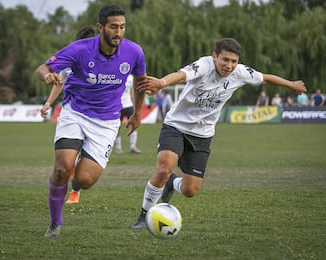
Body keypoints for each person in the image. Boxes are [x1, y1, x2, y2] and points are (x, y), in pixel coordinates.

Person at [131, 38, 307, 230]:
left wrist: (291, 85)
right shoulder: (204, 65)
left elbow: (265, 78)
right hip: (176, 126)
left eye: (233, 61)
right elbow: (181, 75)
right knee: (165, 167)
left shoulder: (241, 73)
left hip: (203, 135)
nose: (229, 65)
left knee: (190, 190)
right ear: (215, 56)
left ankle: (171, 183)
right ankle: (144, 215)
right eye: (225, 60)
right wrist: (162, 83)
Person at [35, 5, 147, 238]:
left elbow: (141, 83)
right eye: (114, 27)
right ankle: (55, 224)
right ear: (101, 27)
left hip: (106, 122)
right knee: (62, 169)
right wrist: (47, 74)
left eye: (122, 27)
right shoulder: (79, 49)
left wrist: (137, 114)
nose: (119, 32)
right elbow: (43, 67)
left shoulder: (134, 52)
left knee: (85, 179)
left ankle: (76, 186)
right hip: (75, 113)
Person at [65, 74, 142, 204]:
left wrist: (136, 107)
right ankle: (73, 185)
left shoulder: (129, 75)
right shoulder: (96, 72)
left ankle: (132, 146)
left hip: (119, 110)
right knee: (77, 150)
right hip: (93, 111)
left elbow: (133, 91)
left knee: (129, 126)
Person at [40, 26, 96, 119]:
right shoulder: (72, 61)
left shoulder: (103, 60)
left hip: (97, 112)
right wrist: (48, 103)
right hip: (72, 111)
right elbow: (60, 81)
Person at [115, 74, 142, 154]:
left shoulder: (130, 77)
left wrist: (135, 104)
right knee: (117, 127)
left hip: (128, 105)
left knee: (134, 124)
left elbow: (132, 92)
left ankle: (133, 147)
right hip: (118, 106)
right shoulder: (116, 74)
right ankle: (118, 148)